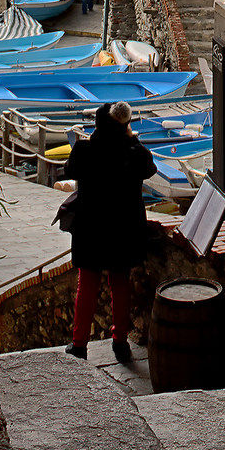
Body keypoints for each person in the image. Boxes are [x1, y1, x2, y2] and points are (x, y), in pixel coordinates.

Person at [60, 101, 154, 365]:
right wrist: (129, 138)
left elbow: (69, 170)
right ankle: (120, 342)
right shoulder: (133, 151)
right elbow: (150, 170)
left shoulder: (85, 149)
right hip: (123, 228)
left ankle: (79, 345)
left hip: (91, 227)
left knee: (87, 285)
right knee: (120, 284)